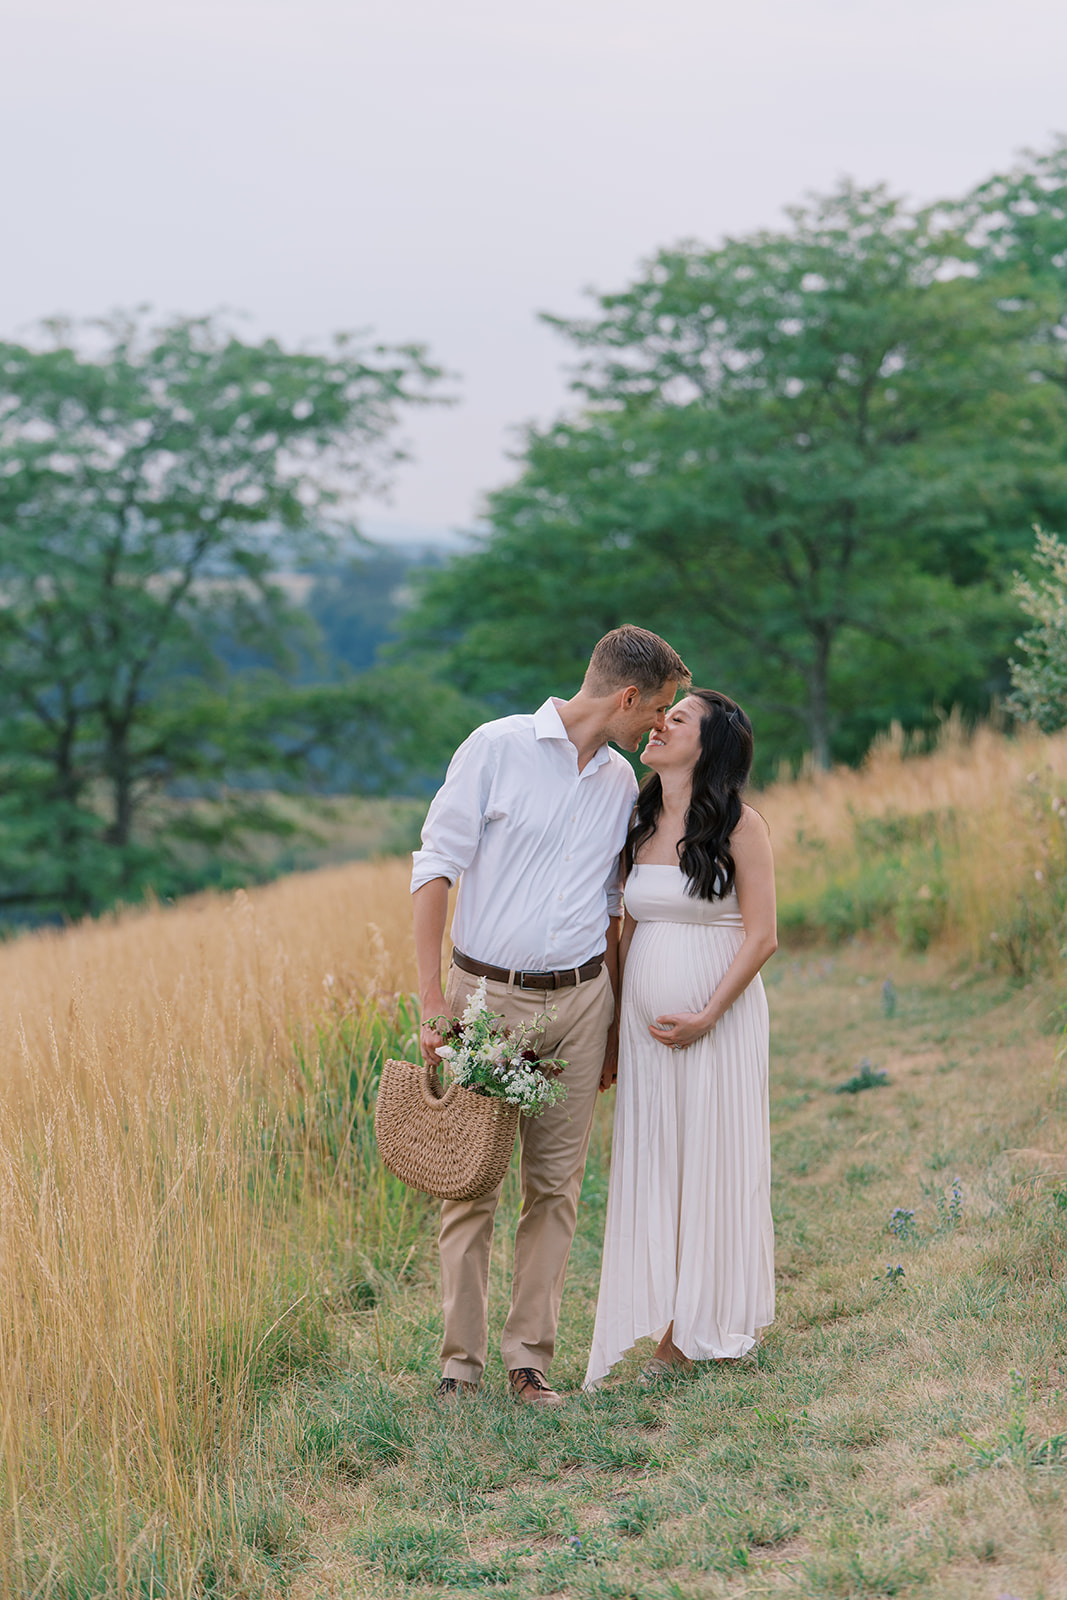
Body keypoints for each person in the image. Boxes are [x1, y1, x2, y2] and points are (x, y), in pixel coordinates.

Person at [411, 626, 690, 1406]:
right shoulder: (494, 748)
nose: (658, 728)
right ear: (625, 697)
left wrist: (606, 1032)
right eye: (657, 711)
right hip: (487, 999)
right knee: (470, 1184)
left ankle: (527, 1361)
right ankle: (457, 1370)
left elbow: (610, 908)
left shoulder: (615, 786)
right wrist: (433, 1001)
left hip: (579, 999)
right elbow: (434, 866)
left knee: (556, 1188)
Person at [584, 689, 777, 1389]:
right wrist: (611, 1027)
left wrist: (705, 1015)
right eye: (661, 715)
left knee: (710, 1157)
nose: (659, 724)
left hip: (717, 1021)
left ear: (711, 743)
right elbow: (625, 929)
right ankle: (663, 1311)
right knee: (657, 1161)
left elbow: (762, 937)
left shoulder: (739, 825)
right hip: (642, 1029)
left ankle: (689, 1330)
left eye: (678, 718)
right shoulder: (636, 818)